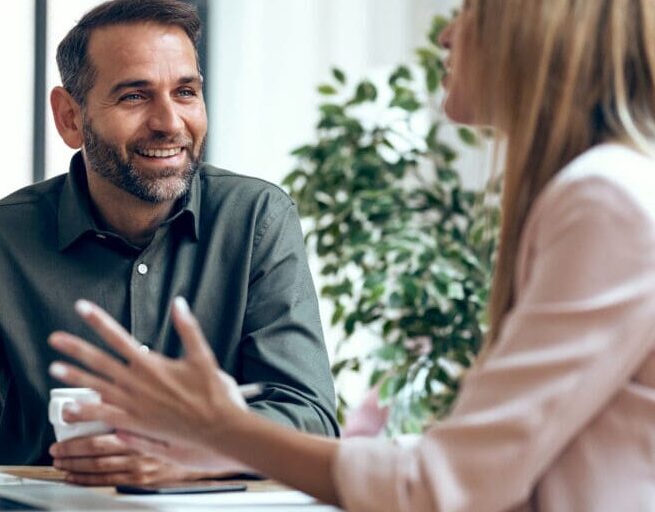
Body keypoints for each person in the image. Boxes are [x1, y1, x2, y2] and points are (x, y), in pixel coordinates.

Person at [46, 0, 655, 509]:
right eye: (134, 96)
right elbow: (483, 466)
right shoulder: (599, 192)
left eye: (470, 10)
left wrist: (222, 430)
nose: (445, 34)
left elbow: (442, 485)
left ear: (534, 31)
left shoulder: (606, 201)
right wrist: (223, 441)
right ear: (70, 117)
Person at [0, 0, 339, 485]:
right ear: (69, 117)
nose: (170, 122)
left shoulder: (257, 221)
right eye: (134, 96)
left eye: (185, 92)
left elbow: (308, 415)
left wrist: (197, 453)